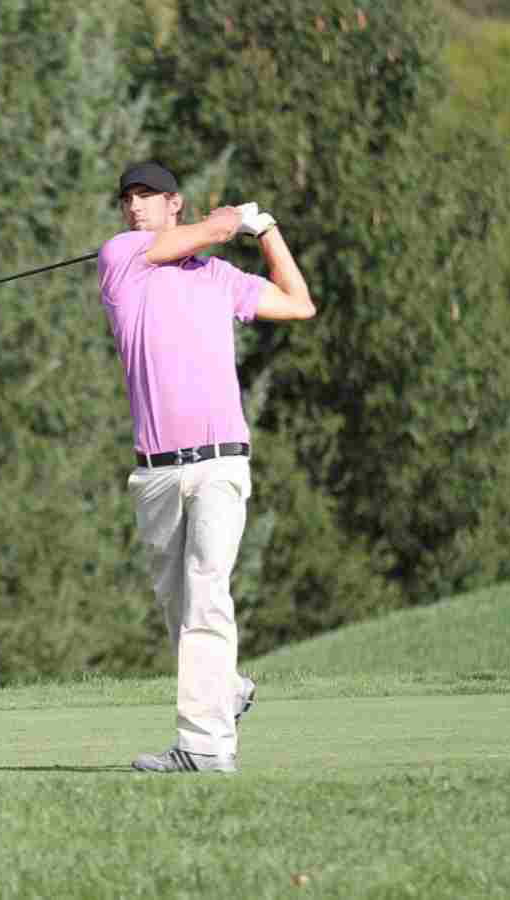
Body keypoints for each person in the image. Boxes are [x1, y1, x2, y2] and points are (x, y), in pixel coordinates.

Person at [97, 161, 315, 774]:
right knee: (179, 610)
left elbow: (300, 305)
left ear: (174, 202)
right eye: (127, 199)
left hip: (220, 462)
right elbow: (211, 233)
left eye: (147, 197)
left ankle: (205, 746)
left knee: (206, 593)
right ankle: (227, 690)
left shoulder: (220, 279)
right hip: (156, 473)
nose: (134, 207)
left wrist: (266, 230)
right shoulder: (123, 259)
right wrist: (231, 220)